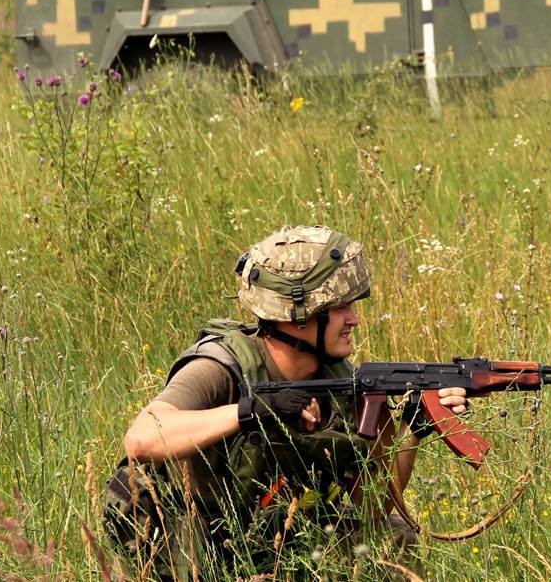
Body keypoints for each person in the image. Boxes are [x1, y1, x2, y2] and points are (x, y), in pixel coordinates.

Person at [107, 226, 466, 578]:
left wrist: (412, 429)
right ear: (298, 313)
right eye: (340, 307)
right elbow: (142, 438)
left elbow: (372, 511)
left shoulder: (339, 380)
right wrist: (252, 411)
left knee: (393, 536)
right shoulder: (221, 367)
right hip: (194, 545)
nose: (354, 319)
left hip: (277, 536)